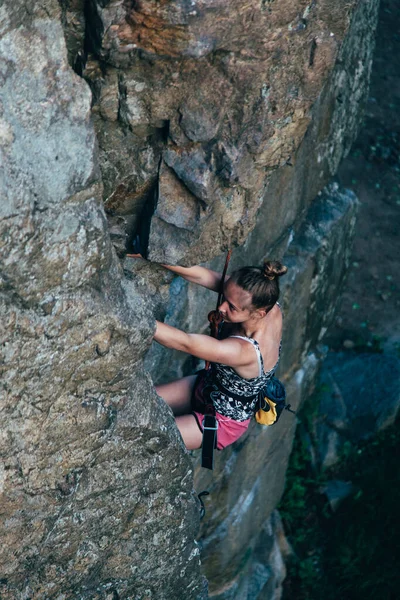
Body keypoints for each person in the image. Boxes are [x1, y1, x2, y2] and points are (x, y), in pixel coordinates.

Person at [152, 260, 288, 451]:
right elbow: (201, 275)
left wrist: (134, 316)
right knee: (137, 404)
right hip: (209, 386)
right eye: (224, 296)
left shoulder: (244, 351)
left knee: (147, 436)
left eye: (231, 308)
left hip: (222, 421)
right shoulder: (267, 303)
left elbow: (185, 342)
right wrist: (153, 255)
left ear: (258, 313)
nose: (222, 307)